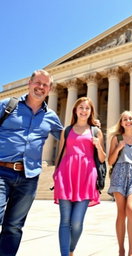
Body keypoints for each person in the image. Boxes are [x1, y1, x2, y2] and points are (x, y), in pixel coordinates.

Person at [0, 69, 63, 256]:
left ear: (49, 90)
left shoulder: (51, 116)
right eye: (38, 83)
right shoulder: (7, 105)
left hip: (29, 177)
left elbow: (70, 138)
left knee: (14, 227)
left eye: (45, 85)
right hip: (1, 171)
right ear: (29, 83)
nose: (41, 87)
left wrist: (92, 129)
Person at [53, 97, 106, 256]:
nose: (83, 111)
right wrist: (56, 174)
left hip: (86, 177)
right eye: (80, 108)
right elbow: (60, 154)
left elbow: (102, 158)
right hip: (66, 175)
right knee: (65, 221)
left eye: (87, 108)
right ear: (75, 110)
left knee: (76, 223)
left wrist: (97, 145)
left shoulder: (96, 131)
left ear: (91, 112)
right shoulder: (66, 130)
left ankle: (70, 250)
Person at [108, 110, 132, 256]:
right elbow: (110, 161)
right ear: (121, 123)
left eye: (130, 118)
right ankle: (121, 249)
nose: (128, 121)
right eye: (124, 119)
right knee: (121, 214)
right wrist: (118, 147)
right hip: (118, 174)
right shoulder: (116, 138)